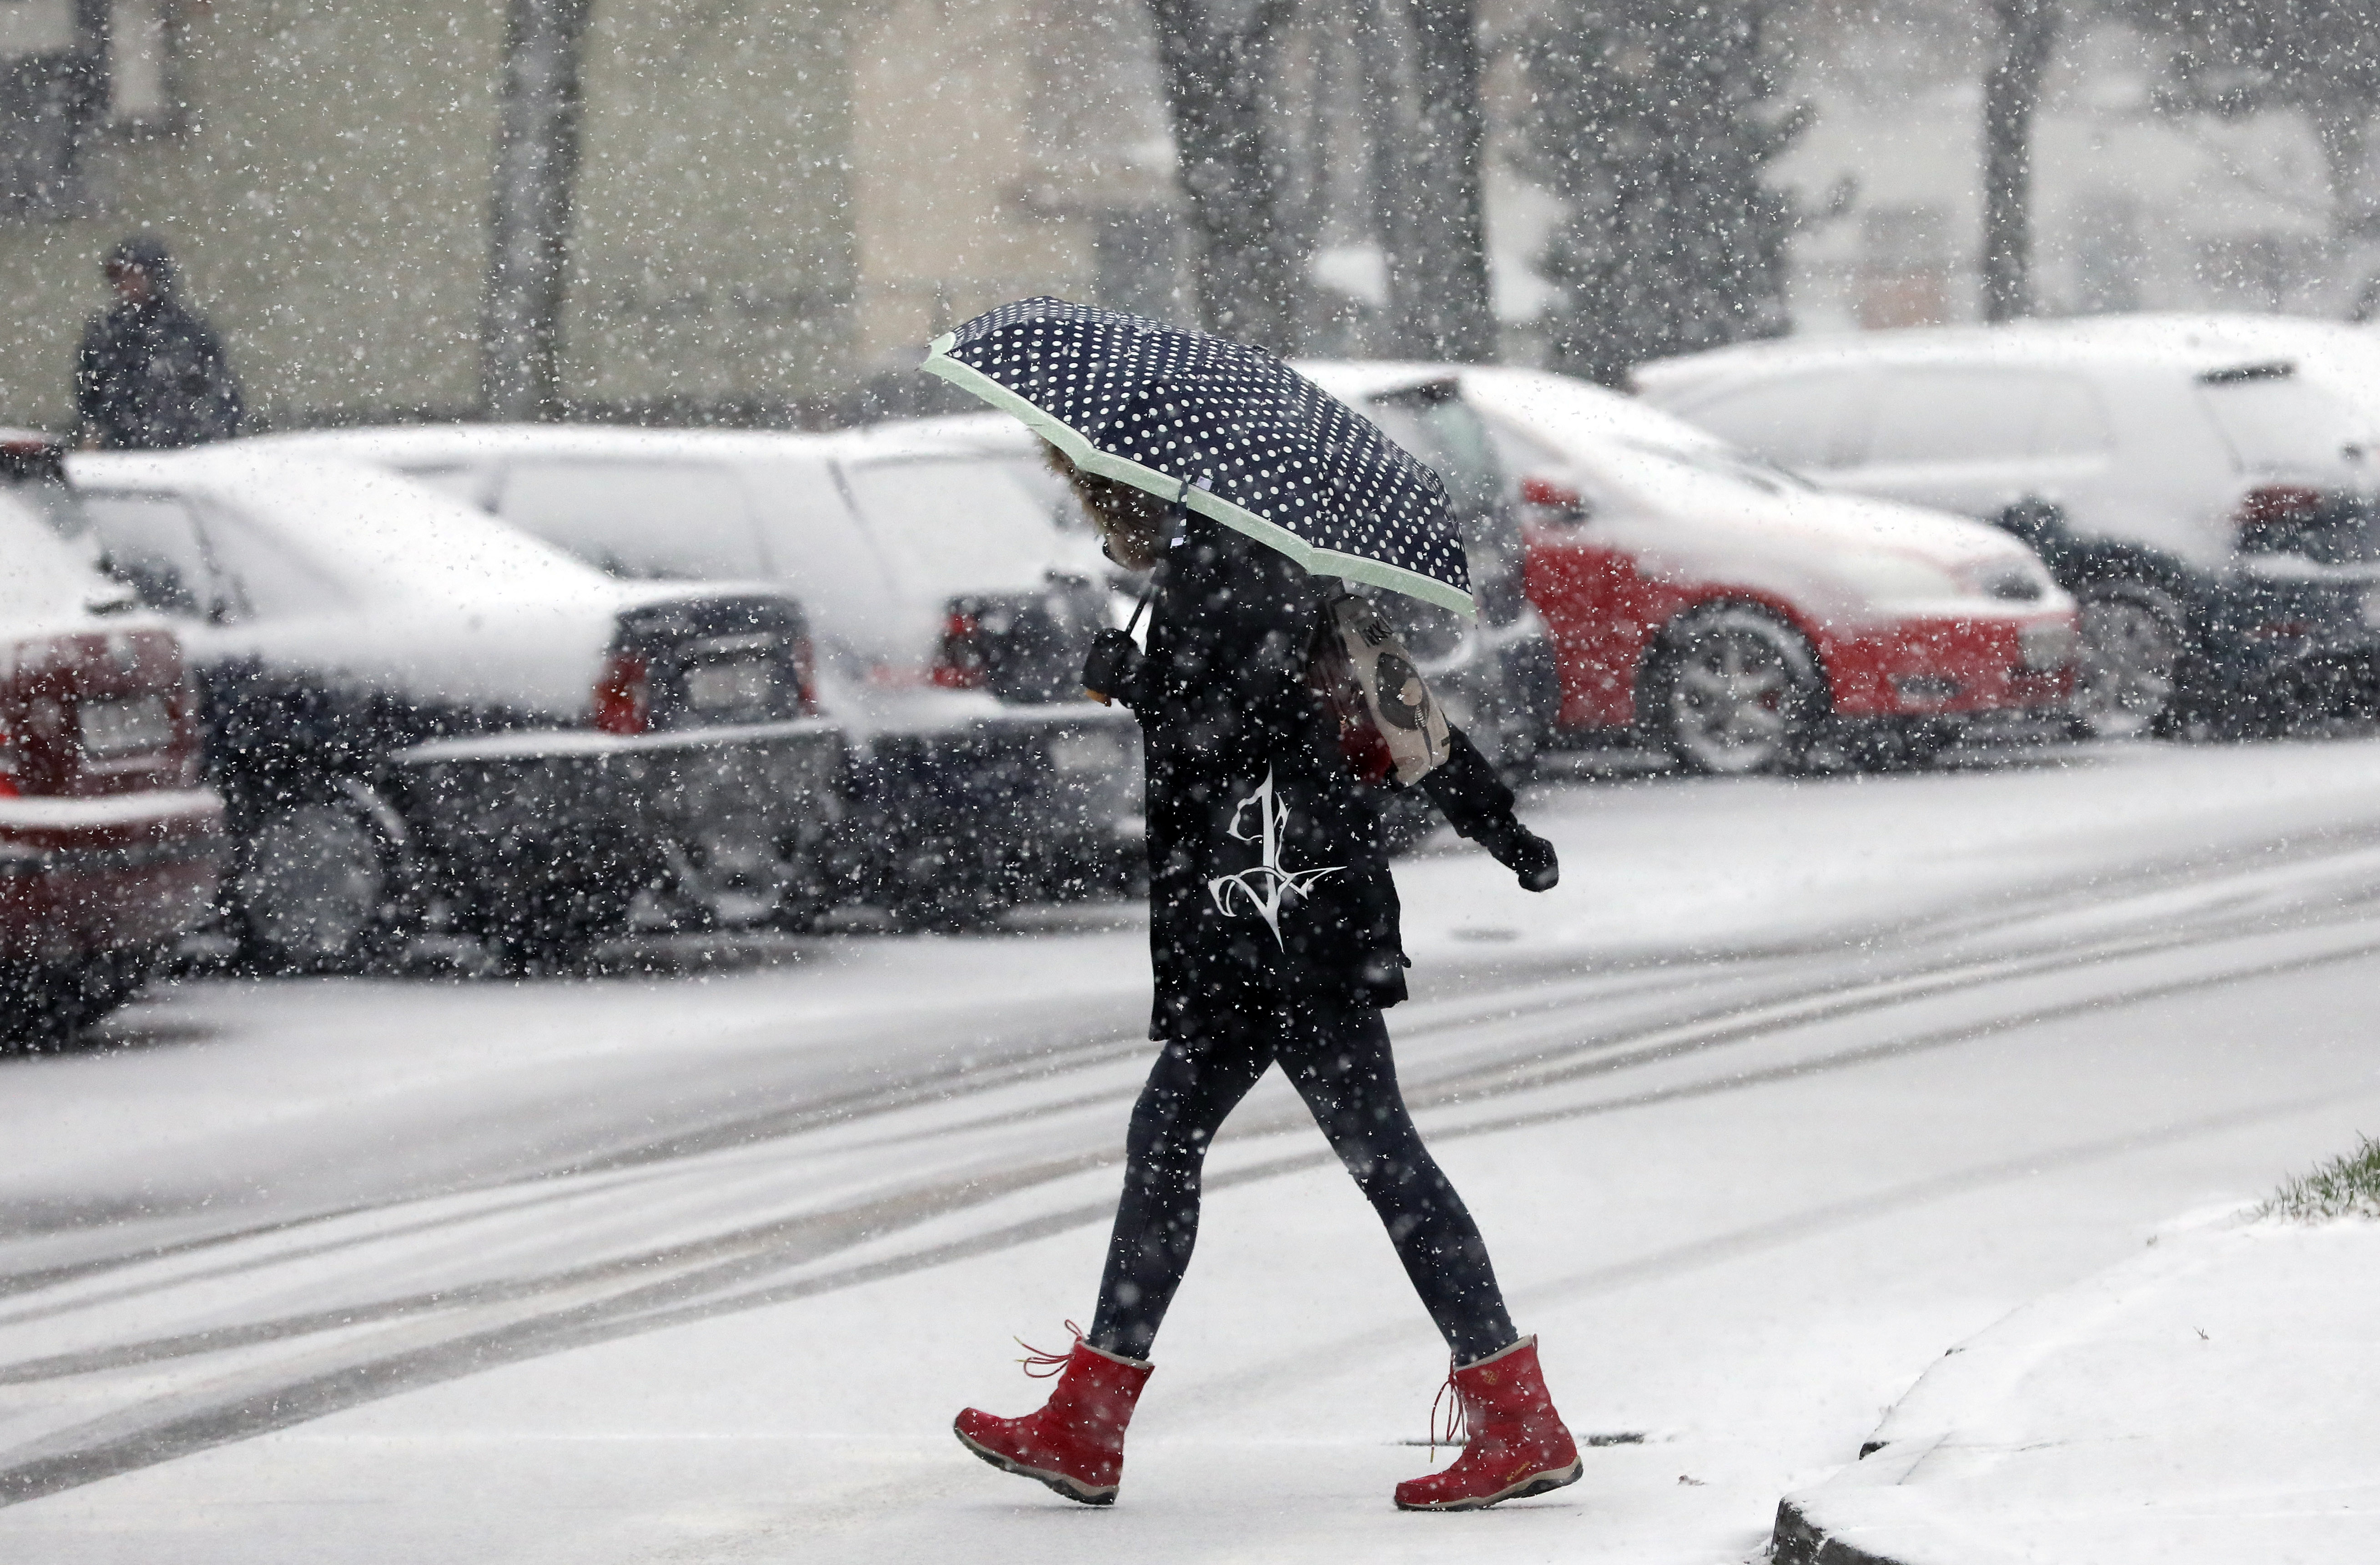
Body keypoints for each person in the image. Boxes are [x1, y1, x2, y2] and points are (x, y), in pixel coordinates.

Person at [953, 445, 1580, 1512]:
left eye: (1096, 510)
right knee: (1206, 1143)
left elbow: (1224, 730)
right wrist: (1505, 830)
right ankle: (1089, 1423)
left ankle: (1514, 1420)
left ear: (1127, 494)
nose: (1100, 535)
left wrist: (1135, 682)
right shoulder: (1303, 573)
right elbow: (1412, 724)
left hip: (1267, 925)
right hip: (1291, 918)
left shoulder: (1216, 574)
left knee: (1365, 1157)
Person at [75, 234, 245, 451]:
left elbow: (220, 393)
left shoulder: (188, 331)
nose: (126, 285)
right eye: (120, 277)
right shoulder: (105, 333)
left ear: (156, 277)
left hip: (184, 451)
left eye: (134, 276)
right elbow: (89, 393)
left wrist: (214, 436)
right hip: (121, 454)